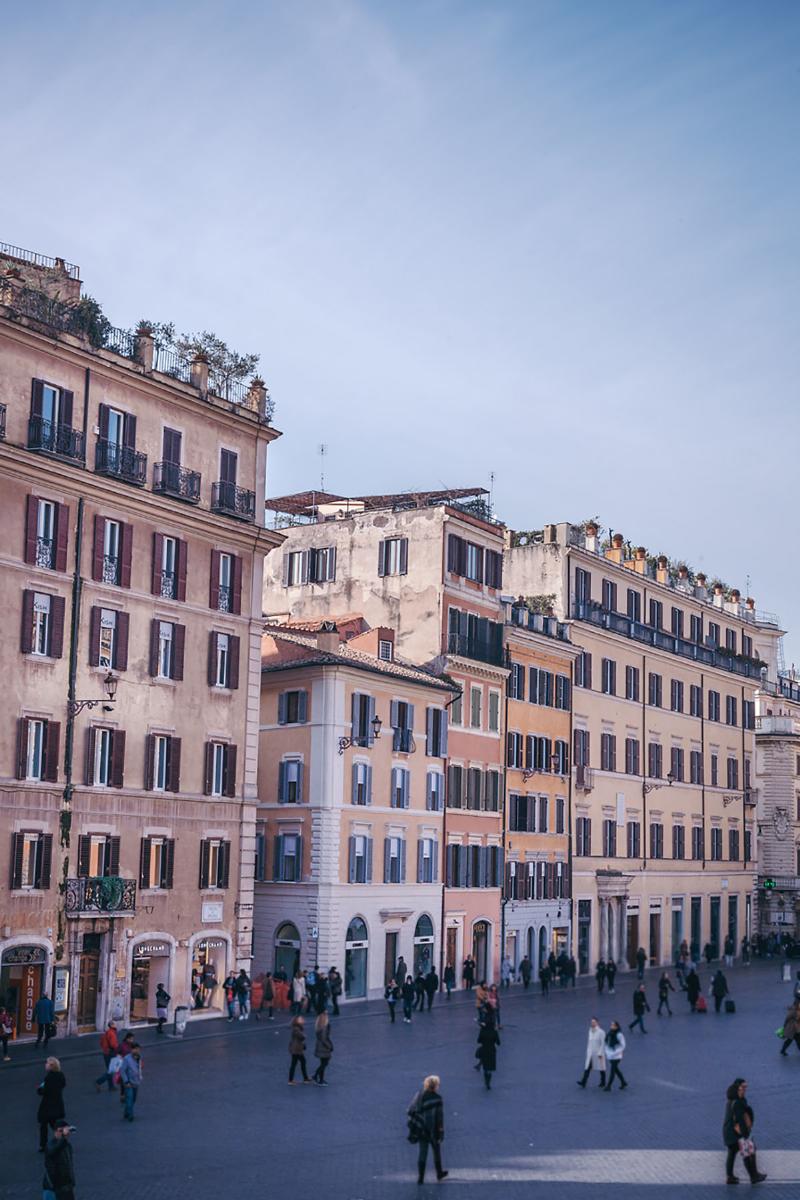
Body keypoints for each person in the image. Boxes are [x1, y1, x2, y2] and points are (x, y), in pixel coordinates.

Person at [722, 1078, 767, 1185]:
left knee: (732, 1154)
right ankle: (754, 1176)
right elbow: (740, 1120)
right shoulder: (737, 1103)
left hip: (729, 1133)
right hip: (736, 1133)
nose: (744, 1090)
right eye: (742, 1088)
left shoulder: (732, 1101)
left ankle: (730, 1177)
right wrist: (745, 1134)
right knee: (749, 1151)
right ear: (737, 1089)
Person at [407, 1075, 448, 1184]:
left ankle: (421, 1177)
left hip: (421, 1128)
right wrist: (441, 1131)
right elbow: (439, 1117)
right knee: (436, 1151)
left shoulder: (419, 1096)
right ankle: (439, 1173)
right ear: (436, 1086)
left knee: (422, 1152)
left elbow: (410, 1109)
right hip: (433, 1130)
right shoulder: (438, 1099)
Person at [37, 1056, 66, 1151]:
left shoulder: (49, 1077)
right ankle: (62, 1140)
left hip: (47, 1105)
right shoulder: (60, 1075)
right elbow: (62, 1085)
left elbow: (43, 1091)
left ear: (51, 1066)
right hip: (57, 1103)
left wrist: (40, 1089)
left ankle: (43, 1144)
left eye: (47, 1063)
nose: (45, 1065)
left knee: (44, 1125)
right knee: (54, 1124)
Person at [43, 1119, 75, 1200]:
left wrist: (72, 1180)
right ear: (55, 1132)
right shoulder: (50, 1145)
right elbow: (53, 1151)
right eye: (61, 1131)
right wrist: (63, 1139)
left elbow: (69, 1165)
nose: (66, 1134)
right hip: (53, 1187)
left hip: (66, 1185)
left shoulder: (67, 1146)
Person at [577, 1017, 606, 1089]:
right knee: (588, 1067)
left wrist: (600, 1053)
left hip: (598, 1053)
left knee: (601, 1068)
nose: (592, 1023)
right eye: (592, 1022)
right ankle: (583, 1082)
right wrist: (588, 1051)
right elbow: (589, 1042)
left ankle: (603, 1082)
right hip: (591, 1053)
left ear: (597, 1022)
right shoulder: (590, 1031)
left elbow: (603, 1043)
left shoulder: (601, 1032)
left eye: (594, 1022)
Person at [475, 1010, 500, 1090]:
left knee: (485, 1068)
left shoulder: (482, 1031)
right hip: (492, 1050)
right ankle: (488, 1082)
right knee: (490, 1069)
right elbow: (498, 1043)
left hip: (484, 1049)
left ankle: (486, 1082)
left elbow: (478, 1041)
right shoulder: (494, 1032)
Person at [119, 1041, 142, 1122]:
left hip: (136, 1082)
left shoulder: (139, 1057)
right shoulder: (126, 1059)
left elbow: (139, 1068)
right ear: (131, 1049)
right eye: (135, 1049)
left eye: (138, 1049)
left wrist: (140, 1077)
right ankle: (130, 1115)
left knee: (133, 1099)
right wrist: (126, 1082)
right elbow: (122, 1071)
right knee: (129, 1098)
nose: (137, 1051)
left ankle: (126, 1112)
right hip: (129, 1083)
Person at [95, 1020, 119, 1091]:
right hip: (111, 1054)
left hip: (106, 1053)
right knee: (111, 1071)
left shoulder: (106, 1033)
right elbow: (113, 1044)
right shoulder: (112, 1033)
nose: (116, 1025)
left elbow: (101, 1043)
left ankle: (111, 1086)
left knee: (109, 1070)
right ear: (111, 1025)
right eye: (115, 1024)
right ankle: (98, 1081)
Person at [603, 1022, 628, 1091]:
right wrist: (607, 1051)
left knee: (612, 1071)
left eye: (613, 1025)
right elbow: (606, 1042)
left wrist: (615, 1053)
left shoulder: (619, 1035)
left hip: (617, 1056)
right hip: (610, 1055)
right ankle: (623, 1082)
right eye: (611, 1025)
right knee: (616, 1070)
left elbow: (623, 1045)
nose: (611, 1026)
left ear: (617, 1026)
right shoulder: (610, 1033)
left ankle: (608, 1086)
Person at [312, 1011, 333, 1085]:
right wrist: (330, 1046)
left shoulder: (318, 1026)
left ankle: (321, 1080)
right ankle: (315, 1076)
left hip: (319, 1046)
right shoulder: (324, 1027)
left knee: (322, 1063)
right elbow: (324, 1039)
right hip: (324, 1048)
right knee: (325, 1063)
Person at [288, 1016, 310, 1083]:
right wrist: (304, 1036)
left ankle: (305, 1078)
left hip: (297, 1049)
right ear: (296, 1021)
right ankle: (291, 1080)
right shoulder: (296, 1028)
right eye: (300, 1019)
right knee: (296, 1064)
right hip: (296, 1050)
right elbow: (301, 1037)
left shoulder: (298, 1028)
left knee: (300, 1062)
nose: (302, 1020)